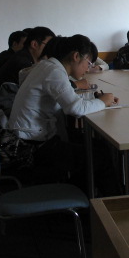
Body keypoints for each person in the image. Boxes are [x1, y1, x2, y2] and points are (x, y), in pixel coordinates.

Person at [7, 35, 119, 190]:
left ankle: (82, 193)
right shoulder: (54, 71)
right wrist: (103, 102)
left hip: (28, 140)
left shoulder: (49, 66)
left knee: (99, 147)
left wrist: (95, 99)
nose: (88, 69)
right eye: (88, 63)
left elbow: (68, 98)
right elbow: (75, 108)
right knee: (100, 157)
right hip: (32, 148)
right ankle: (100, 201)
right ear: (76, 56)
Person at [0, 26, 55, 96]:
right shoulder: (24, 63)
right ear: (34, 44)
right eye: (48, 45)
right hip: (4, 100)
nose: (50, 49)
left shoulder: (22, 56)